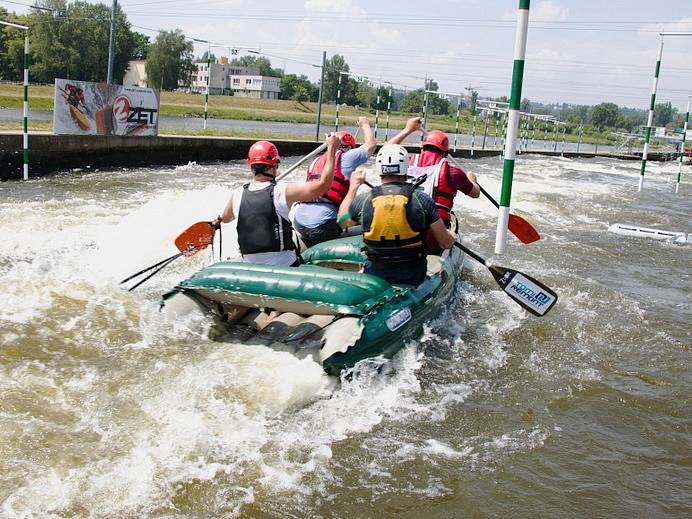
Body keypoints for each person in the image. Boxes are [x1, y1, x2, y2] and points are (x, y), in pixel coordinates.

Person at [337, 144, 456, 286]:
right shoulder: (422, 199)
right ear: (406, 167)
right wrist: (451, 236)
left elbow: (342, 221)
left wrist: (353, 186)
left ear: (379, 169)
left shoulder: (363, 200)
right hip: (412, 276)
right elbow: (445, 243)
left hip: (375, 275)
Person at [216, 134, 341, 266]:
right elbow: (323, 186)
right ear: (274, 165)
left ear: (251, 166)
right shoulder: (281, 191)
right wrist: (332, 149)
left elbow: (225, 218)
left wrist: (216, 221)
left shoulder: (237, 194)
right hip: (283, 267)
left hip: (249, 267)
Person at [388, 125, 480, 251]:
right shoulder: (453, 172)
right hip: (432, 238)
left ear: (422, 147)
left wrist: (408, 129)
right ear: (445, 153)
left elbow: (387, 150)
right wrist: (472, 179)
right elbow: (475, 193)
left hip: (400, 231)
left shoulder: (405, 163)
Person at [293, 117, 377, 247]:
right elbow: (371, 145)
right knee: (360, 216)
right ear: (350, 148)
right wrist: (365, 124)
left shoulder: (315, 161)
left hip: (299, 221)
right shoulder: (348, 157)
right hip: (322, 224)